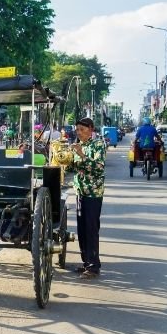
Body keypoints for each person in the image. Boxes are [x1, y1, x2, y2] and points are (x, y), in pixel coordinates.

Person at [70, 117, 106, 277]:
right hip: (80, 191)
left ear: (91, 129)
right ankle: (86, 262)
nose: (79, 133)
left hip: (93, 192)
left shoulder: (98, 144)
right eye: (77, 130)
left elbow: (99, 167)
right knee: (82, 229)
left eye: (83, 130)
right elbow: (73, 166)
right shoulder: (79, 145)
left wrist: (82, 155)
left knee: (91, 229)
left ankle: (93, 266)